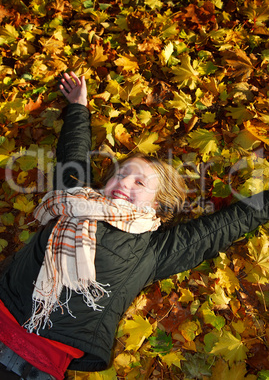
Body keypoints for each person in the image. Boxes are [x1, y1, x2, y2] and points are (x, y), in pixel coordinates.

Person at [0, 72, 268, 380]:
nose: (123, 182)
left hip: (34, 366)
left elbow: (228, 224)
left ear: (157, 204)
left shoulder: (151, 251)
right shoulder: (77, 197)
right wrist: (79, 105)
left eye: (139, 181)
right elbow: (73, 152)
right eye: (121, 173)